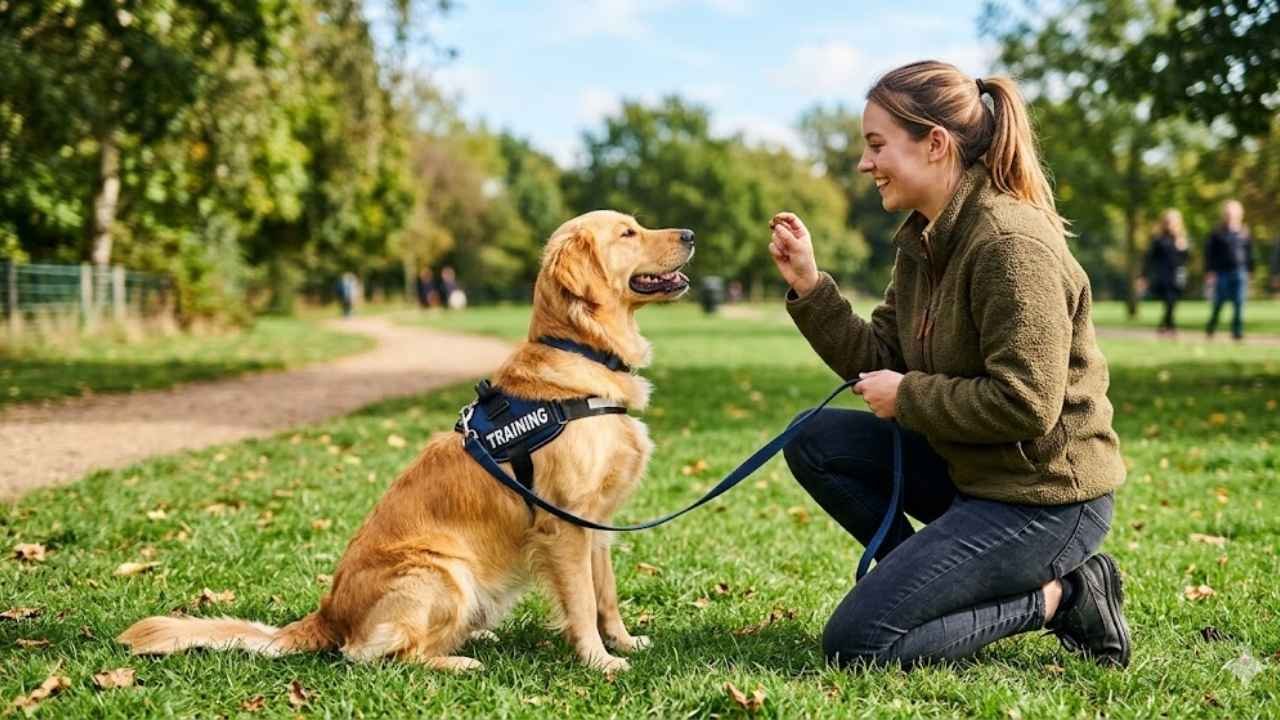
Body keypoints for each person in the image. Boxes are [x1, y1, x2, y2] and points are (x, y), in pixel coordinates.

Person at [768, 61, 1129, 669]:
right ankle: (923, 584)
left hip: (1045, 502)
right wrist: (809, 285)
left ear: (935, 144)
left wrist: (908, 396)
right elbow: (878, 359)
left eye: (877, 145)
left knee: (858, 645)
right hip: (972, 475)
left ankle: (1066, 595)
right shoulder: (925, 241)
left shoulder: (1010, 245)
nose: (865, 163)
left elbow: (1027, 404)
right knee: (813, 437)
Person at [1205, 200, 1254, 339]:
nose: (1231, 216)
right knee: (1219, 302)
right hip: (1222, 272)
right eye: (1228, 213)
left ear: (1240, 214)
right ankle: (1211, 326)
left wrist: (1250, 272)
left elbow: (1249, 254)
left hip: (1240, 271)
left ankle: (1237, 331)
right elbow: (1210, 254)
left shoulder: (1244, 232)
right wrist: (1210, 271)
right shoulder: (1217, 233)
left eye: (1233, 213)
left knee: (1239, 302)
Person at [1141, 209, 1190, 335]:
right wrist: (1144, 275)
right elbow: (1149, 258)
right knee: (1169, 300)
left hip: (1178, 275)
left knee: (1173, 301)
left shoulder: (1182, 239)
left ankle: (1165, 325)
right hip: (1163, 276)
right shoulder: (1159, 240)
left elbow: (1186, 259)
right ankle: (1170, 326)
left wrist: (1183, 248)